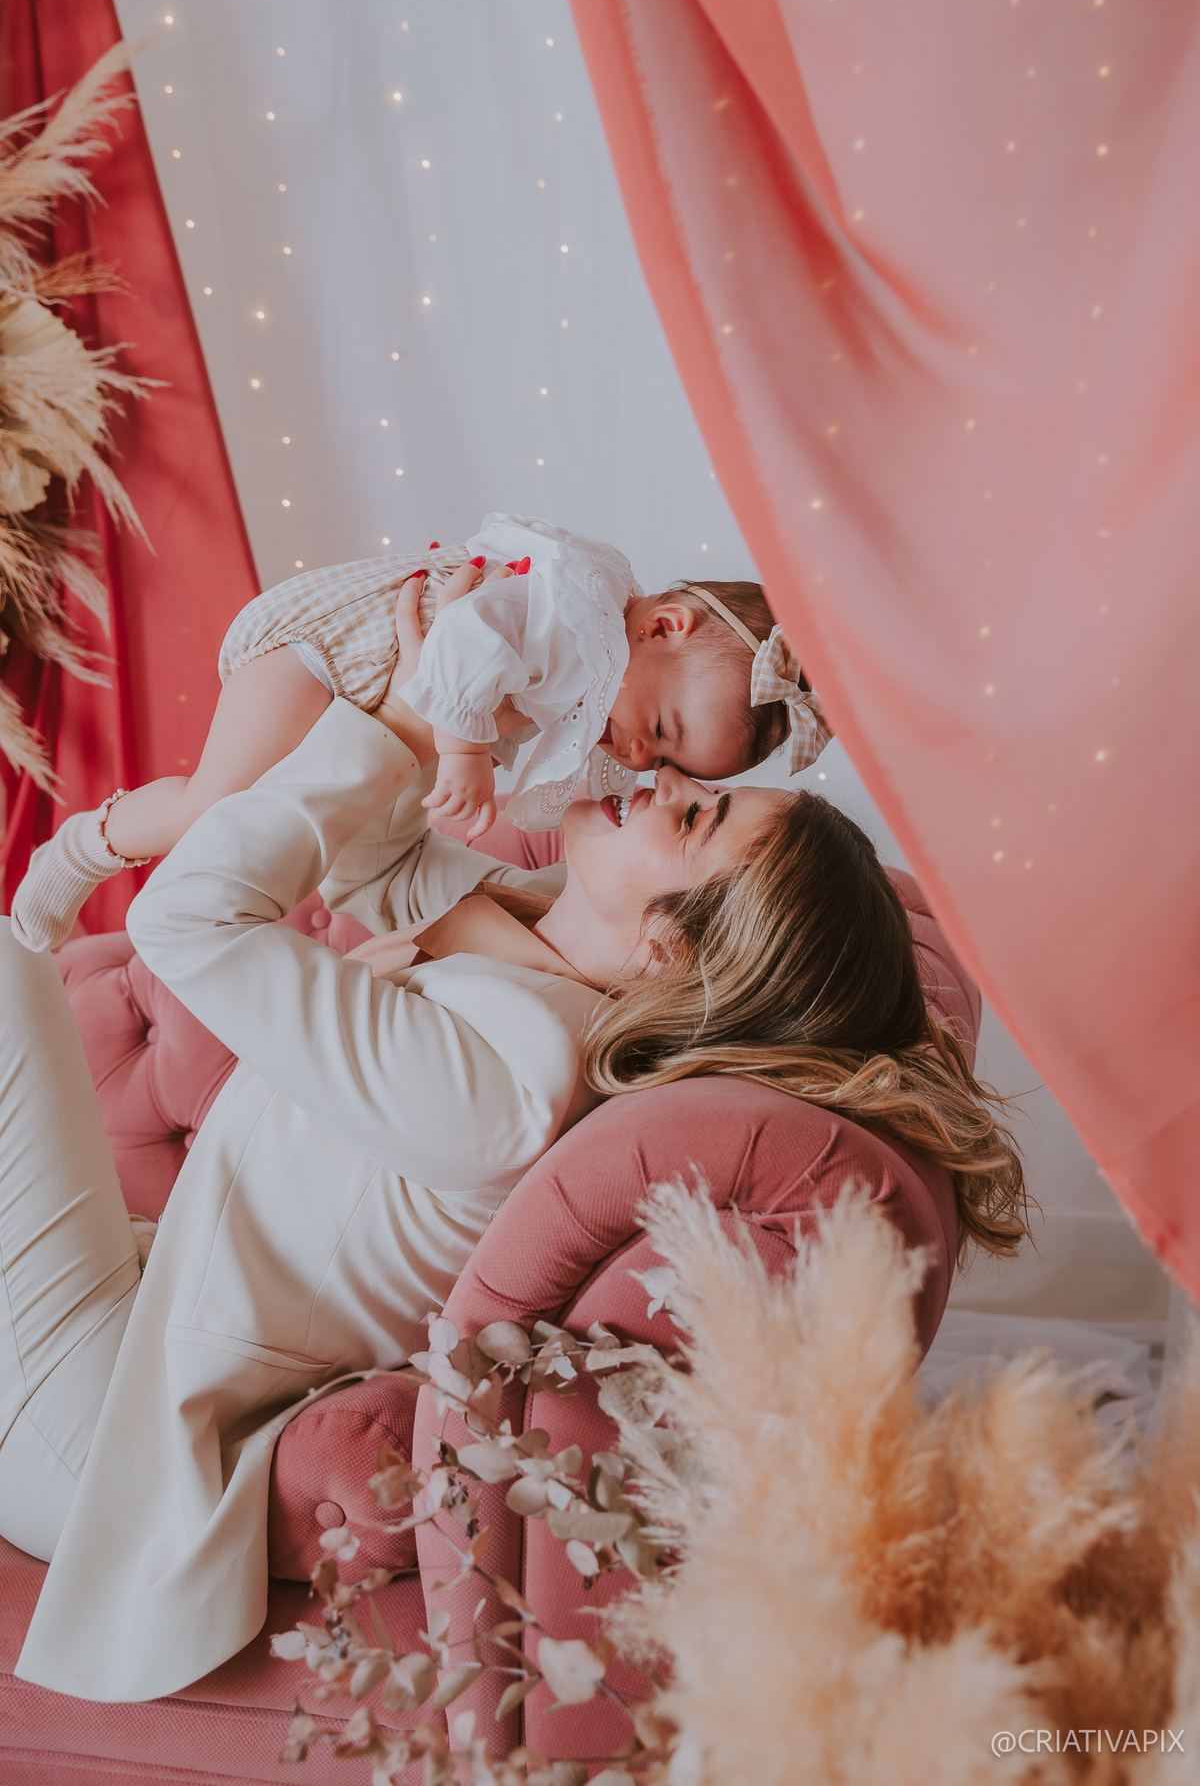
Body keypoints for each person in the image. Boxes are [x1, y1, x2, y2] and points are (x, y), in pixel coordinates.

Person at [0, 576, 1023, 1702]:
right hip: (133, 1316)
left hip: (104, 1435)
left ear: (669, 952)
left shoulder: (512, 1082)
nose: (669, 779)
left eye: (695, 817)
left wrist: (402, 724)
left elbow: (183, 918)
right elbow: (379, 866)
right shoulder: (534, 947)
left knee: (6, 967)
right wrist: (446, 702)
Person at [9, 511, 831, 953]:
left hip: (363, 697)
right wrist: (466, 751)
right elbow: (466, 632)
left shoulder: (600, 673)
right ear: (664, 626)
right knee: (214, 812)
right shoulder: (576, 614)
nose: (640, 756)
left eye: (663, 758)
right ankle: (83, 849)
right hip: (328, 655)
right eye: (658, 726)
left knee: (273, 832)